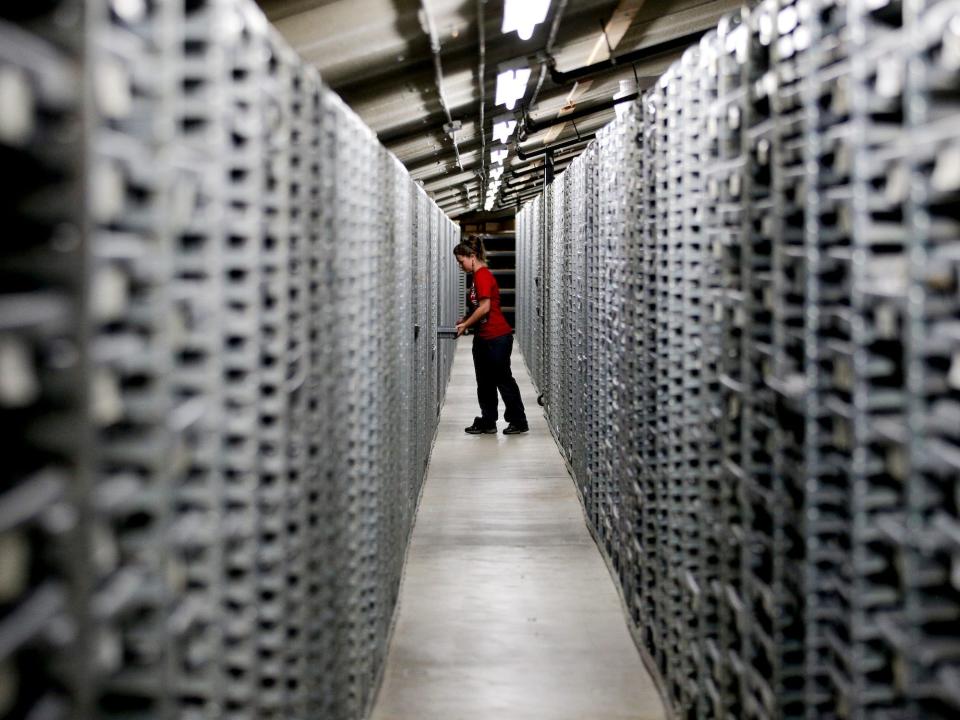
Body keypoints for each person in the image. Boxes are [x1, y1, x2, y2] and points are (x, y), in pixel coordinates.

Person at [453, 236, 528, 435]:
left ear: (472, 257)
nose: (461, 266)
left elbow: (485, 308)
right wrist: (467, 318)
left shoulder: (483, 276)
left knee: (503, 379)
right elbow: (479, 307)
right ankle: (488, 421)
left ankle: (518, 421)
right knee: (484, 381)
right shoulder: (476, 277)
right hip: (483, 338)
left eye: (461, 262)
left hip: (497, 337)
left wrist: (466, 324)